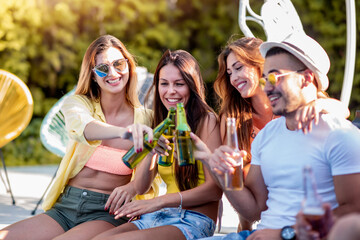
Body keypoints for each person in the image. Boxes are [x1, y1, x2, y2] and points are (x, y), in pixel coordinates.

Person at [192, 32, 360, 240]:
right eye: (264, 79)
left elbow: (354, 213)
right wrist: (222, 173)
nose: (266, 87)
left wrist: (284, 234)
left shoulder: (340, 135)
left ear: (306, 78)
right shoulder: (266, 135)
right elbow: (253, 210)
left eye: (273, 77)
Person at [0, 35, 160, 240]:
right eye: (103, 68)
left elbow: (145, 181)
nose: (113, 73)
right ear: (93, 75)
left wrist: (132, 186)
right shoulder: (77, 104)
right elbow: (86, 128)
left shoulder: (147, 120)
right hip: (65, 206)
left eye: (119, 64)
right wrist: (125, 132)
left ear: (129, 66)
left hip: (108, 212)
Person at [92, 49, 223, 240]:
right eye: (164, 84)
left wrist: (160, 201)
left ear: (192, 86)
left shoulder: (207, 121)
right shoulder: (162, 122)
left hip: (192, 220)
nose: (171, 91)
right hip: (157, 216)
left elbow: (215, 190)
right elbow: (142, 187)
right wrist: (152, 152)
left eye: (179, 84)